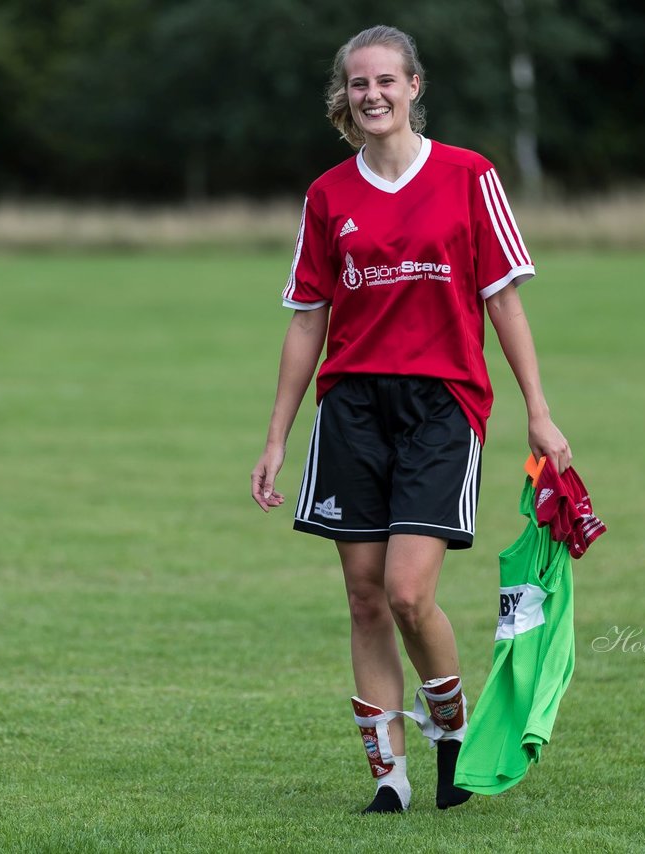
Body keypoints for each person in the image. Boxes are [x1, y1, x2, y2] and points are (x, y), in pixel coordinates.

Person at [250, 24, 571, 815]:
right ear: (344, 97)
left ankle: (450, 728)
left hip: (443, 405)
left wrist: (539, 411)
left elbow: (503, 301)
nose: (373, 95)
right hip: (352, 407)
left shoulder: (469, 177)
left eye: (387, 81)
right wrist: (276, 437)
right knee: (362, 597)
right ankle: (387, 783)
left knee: (406, 593)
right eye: (359, 84)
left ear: (414, 87)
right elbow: (305, 321)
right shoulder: (328, 196)